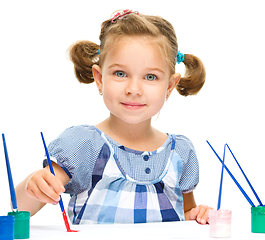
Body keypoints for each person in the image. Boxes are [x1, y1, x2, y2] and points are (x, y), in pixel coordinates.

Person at [15, 9, 212, 224]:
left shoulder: (181, 153)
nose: (133, 89)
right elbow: (21, 207)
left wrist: (196, 216)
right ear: (99, 78)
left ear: (170, 85)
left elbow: (183, 216)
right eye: (120, 73)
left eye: (150, 76)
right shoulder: (83, 145)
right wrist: (32, 185)